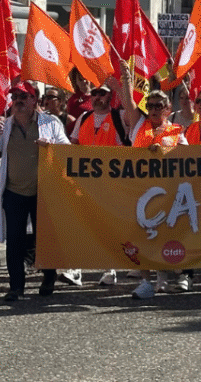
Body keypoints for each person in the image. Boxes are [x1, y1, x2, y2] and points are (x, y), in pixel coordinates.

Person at [0, 82, 71, 302]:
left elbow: (68, 151)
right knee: (14, 241)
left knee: (45, 239)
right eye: (15, 97)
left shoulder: (50, 123)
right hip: (14, 193)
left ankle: (49, 277)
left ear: (35, 100)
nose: (19, 100)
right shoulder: (5, 126)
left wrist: (50, 147)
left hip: (43, 192)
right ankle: (16, 287)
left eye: (24, 96)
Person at [116, 63, 187, 300]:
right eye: (151, 105)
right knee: (139, 237)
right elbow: (128, 103)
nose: (154, 109)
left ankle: (169, 277)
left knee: (166, 236)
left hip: (168, 193)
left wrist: (165, 151)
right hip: (140, 190)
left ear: (168, 108)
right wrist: (126, 79)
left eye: (159, 106)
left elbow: (189, 159)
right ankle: (147, 280)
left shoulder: (178, 131)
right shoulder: (139, 125)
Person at [70, 81, 128, 288]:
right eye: (94, 93)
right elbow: (72, 147)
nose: (97, 97)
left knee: (107, 229)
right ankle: (75, 269)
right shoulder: (84, 118)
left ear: (110, 96)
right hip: (86, 185)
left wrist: (123, 88)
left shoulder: (119, 117)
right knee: (79, 227)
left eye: (101, 93)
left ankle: (109, 270)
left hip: (111, 185)